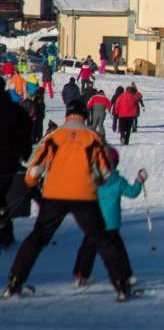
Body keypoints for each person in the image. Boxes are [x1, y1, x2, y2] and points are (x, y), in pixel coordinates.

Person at [3, 99, 133, 301]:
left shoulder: (54, 137)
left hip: (54, 195)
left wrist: (32, 184)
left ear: (66, 115)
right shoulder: (92, 137)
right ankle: (121, 286)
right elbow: (106, 172)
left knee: (37, 238)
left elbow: (34, 169)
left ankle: (14, 283)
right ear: (84, 115)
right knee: (103, 240)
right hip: (84, 196)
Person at [71, 147, 146, 287]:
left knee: (88, 248)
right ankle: (127, 276)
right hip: (111, 224)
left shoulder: (91, 180)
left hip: (94, 222)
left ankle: (81, 275)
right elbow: (132, 193)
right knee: (118, 251)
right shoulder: (117, 180)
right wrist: (139, 181)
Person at [0, 77, 33, 249]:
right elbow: (27, 129)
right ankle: (5, 232)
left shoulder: (15, 111)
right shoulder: (16, 111)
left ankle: (5, 231)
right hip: (10, 163)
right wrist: (25, 153)